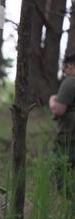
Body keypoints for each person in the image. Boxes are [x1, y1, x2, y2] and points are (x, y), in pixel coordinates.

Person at [48, 54, 75, 197]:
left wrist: (52, 100)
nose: (64, 72)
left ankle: (69, 205)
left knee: (61, 174)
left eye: (64, 69)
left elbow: (59, 109)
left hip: (69, 138)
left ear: (70, 66)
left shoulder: (70, 81)